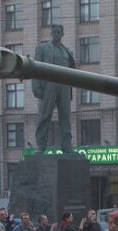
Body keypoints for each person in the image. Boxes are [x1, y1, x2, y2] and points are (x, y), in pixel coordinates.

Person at [32, 24, 76, 153]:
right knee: (45, 115)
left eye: (59, 31)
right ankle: (40, 146)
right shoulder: (42, 48)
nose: (57, 33)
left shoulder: (67, 51)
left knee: (66, 118)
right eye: (54, 31)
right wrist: (36, 87)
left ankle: (67, 146)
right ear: (51, 33)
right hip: (49, 85)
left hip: (64, 86)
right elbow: (35, 69)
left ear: (62, 34)